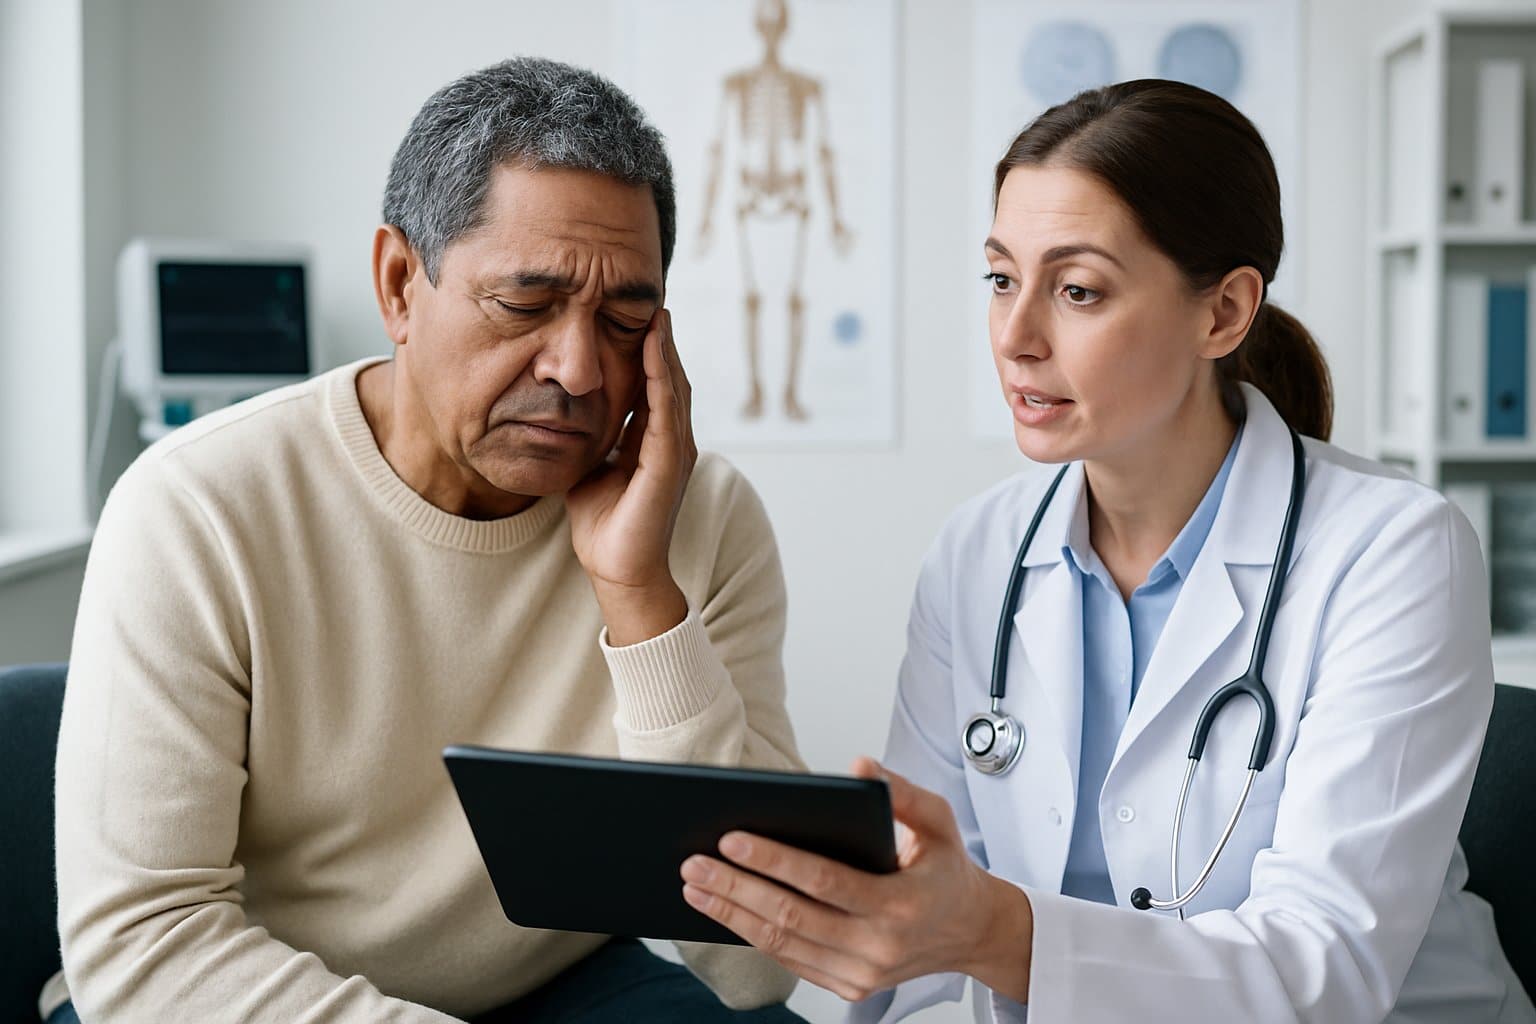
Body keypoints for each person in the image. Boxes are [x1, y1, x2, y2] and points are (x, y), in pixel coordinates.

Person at [677, 79, 1536, 1022]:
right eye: (1001, 278)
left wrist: (990, 932)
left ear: (1224, 313)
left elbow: (1320, 974)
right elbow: (917, 971)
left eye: (1077, 290)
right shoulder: (979, 556)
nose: (1015, 336)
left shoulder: (1395, 552)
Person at [48, 57, 806, 1024]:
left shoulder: (698, 517)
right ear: (401, 284)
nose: (578, 369)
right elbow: (143, 947)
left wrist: (642, 598)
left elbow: (756, 971)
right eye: (525, 307)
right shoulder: (198, 507)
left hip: (549, 984)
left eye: (626, 320)